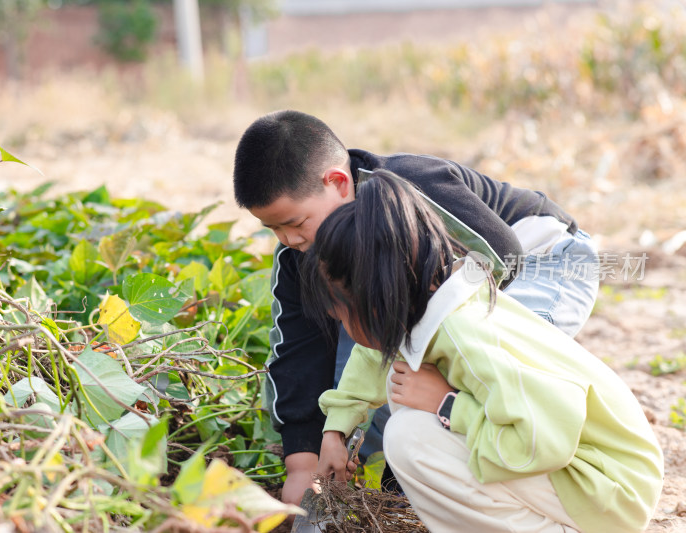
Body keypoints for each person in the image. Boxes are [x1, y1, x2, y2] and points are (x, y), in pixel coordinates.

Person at [232, 109, 600, 507]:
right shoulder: (298, 251)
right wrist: (303, 464)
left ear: (338, 183)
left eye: (295, 222)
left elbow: (501, 256)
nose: (288, 239)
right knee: (365, 377)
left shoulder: (412, 190)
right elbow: (298, 353)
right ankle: (389, 481)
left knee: (487, 369)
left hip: (536, 262)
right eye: (273, 230)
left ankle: (529, 469)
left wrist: (441, 389)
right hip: (441, 301)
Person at [303, 169, 663, 533]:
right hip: (588, 476)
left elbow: (544, 439)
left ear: (377, 302)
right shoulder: (427, 301)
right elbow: (371, 356)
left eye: (340, 314)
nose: (343, 325)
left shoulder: (469, 336)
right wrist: (336, 432)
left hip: (609, 488)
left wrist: (447, 405)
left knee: (410, 437)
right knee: (409, 410)